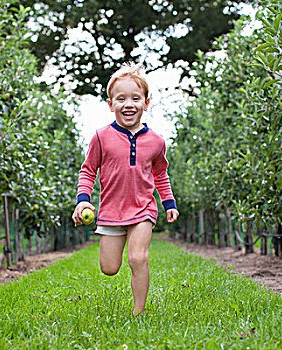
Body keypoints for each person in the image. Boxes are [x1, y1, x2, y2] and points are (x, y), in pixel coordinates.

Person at [72, 62, 179, 316]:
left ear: (146, 103)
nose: (128, 104)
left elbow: (160, 174)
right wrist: (83, 200)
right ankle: (121, 278)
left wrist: (169, 203)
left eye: (135, 98)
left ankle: (139, 312)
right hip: (111, 210)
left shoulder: (156, 141)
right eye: (121, 98)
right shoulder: (101, 137)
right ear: (111, 104)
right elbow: (88, 170)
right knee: (109, 267)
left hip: (143, 208)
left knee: (138, 258)